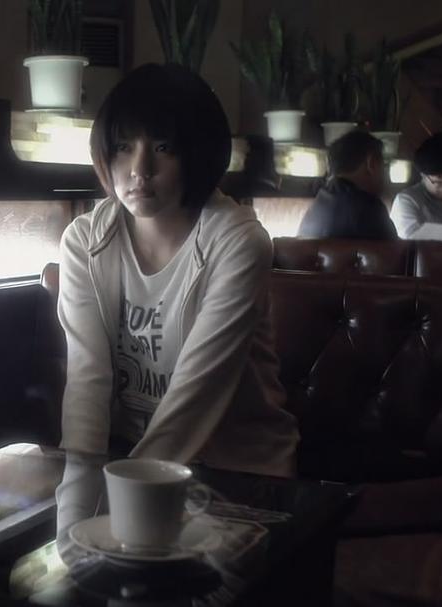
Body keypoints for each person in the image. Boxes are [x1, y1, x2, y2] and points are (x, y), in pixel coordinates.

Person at [57, 63, 299, 478]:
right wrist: (79, 487)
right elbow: (87, 380)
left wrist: (124, 496)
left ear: (197, 153)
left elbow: (196, 396)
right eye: (123, 147)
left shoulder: (237, 242)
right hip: (130, 460)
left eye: (163, 147)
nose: (140, 169)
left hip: (239, 471)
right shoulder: (85, 241)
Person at [297, 130, 396, 240]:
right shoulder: (368, 210)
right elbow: (397, 250)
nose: (385, 172)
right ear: (371, 163)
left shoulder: (319, 204)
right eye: (384, 164)